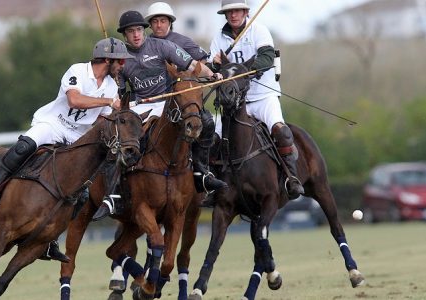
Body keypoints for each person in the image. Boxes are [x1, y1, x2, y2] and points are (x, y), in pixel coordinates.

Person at [0, 37, 134, 262]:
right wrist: (108, 102)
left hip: (77, 137)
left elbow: (101, 121)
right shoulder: (78, 70)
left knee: (81, 193)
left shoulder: (112, 86)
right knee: (23, 147)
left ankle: (50, 239)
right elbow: (74, 100)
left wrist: (123, 114)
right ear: (107, 59)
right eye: (121, 61)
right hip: (53, 124)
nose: (123, 66)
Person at [91, 10, 227, 221]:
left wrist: (212, 74)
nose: (135, 35)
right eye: (130, 31)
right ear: (124, 35)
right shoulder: (120, 57)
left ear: (143, 31)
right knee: (120, 137)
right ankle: (113, 193)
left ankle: (202, 172)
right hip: (139, 107)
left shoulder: (162, 46)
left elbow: (191, 65)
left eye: (138, 30)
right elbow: (116, 89)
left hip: (169, 104)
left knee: (206, 121)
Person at [210, 0, 304, 199]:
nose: (233, 15)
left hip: (263, 96)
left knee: (282, 131)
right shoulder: (219, 38)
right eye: (229, 12)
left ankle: (291, 178)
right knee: (214, 139)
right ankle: (214, 185)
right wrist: (215, 67)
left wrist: (246, 70)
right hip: (234, 104)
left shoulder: (258, 30)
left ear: (246, 12)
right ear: (225, 15)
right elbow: (214, 69)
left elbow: (267, 57)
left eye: (237, 11)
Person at [144, 1, 228, 199]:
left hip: (184, 100)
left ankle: (201, 171)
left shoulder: (183, 41)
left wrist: (214, 69)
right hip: (155, 101)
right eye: (155, 21)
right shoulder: (144, 45)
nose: (158, 25)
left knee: (206, 122)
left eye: (162, 21)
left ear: (170, 22)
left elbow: (203, 63)